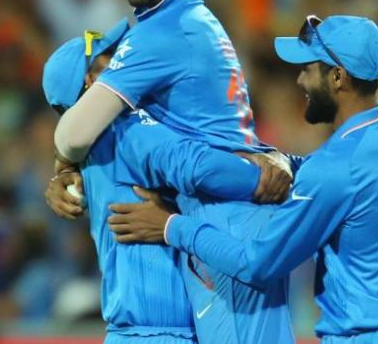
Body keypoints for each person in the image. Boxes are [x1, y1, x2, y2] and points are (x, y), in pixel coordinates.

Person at [109, 15, 378, 343]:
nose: (300, 82)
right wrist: (284, 160)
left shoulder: (334, 171)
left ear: (338, 77)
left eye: (307, 70)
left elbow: (257, 264)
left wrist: (171, 226)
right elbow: (345, 174)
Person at [50, 0, 295, 343]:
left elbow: (73, 135)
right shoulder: (185, 27)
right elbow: (75, 134)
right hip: (214, 244)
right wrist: (273, 172)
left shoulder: (165, 31)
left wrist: (68, 163)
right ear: (88, 82)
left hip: (221, 235)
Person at [43, 28, 290, 343]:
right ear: (92, 81)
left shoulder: (101, 144)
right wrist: (270, 181)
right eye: (112, 58)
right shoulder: (126, 129)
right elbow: (197, 167)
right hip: (158, 332)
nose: (125, 61)